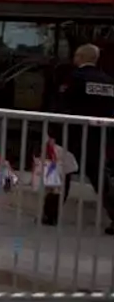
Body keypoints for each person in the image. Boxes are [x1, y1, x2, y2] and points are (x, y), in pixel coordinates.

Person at [45, 43, 115, 233]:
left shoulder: (73, 79)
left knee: (59, 174)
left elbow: (61, 107)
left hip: (71, 135)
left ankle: (50, 215)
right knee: (101, 180)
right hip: (98, 138)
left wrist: (52, 133)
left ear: (80, 57)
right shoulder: (108, 81)